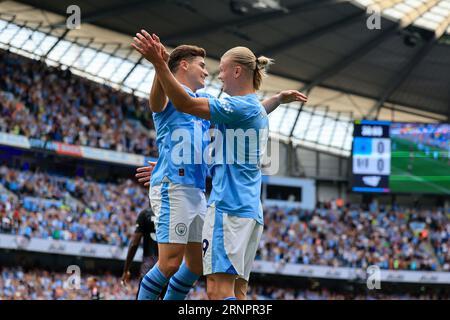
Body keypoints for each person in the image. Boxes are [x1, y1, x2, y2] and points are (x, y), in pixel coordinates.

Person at [131, 30, 307, 300]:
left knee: (210, 281)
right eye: (205, 66)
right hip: (221, 200)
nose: (214, 74)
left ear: (237, 72)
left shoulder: (222, 107)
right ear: (184, 66)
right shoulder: (234, 107)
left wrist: (159, 64)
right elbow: (163, 105)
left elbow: (190, 105)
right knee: (180, 266)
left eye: (220, 69)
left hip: (224, 203)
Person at [121, 207, 162, 297]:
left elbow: (134, 244)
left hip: (149, 267)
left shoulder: (145, 214)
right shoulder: (171, 213)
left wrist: (126, 269)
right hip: (167, 268)